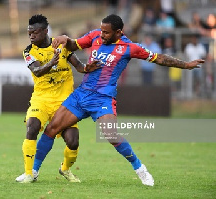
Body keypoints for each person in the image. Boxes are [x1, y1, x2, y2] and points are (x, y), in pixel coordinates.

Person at [34, 14, 204, 186]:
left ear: (118, 32)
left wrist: (185, 65)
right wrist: (65, 39)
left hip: (102, 98)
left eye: (106, 33)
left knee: (111, 135)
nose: (102, 35)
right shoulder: (95, 36)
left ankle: (140, 169)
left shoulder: (130, 47)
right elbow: (74, 45)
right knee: (51, 128)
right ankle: (33, 172)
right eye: (101, 31)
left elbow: (158, 58)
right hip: (82, 94)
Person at [15, 14, 100, 183]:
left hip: (65, 102)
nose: (31, 36)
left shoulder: (62, 46)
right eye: (29, 32)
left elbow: (78, 66)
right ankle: (29, 173)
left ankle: (65, 169)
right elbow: (37, 71)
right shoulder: (28, 51)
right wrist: (51, 63)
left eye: (35, 32)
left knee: (73, 141)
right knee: (32, 127)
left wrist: (87, 68)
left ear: (45, 31)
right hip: (41, 99)